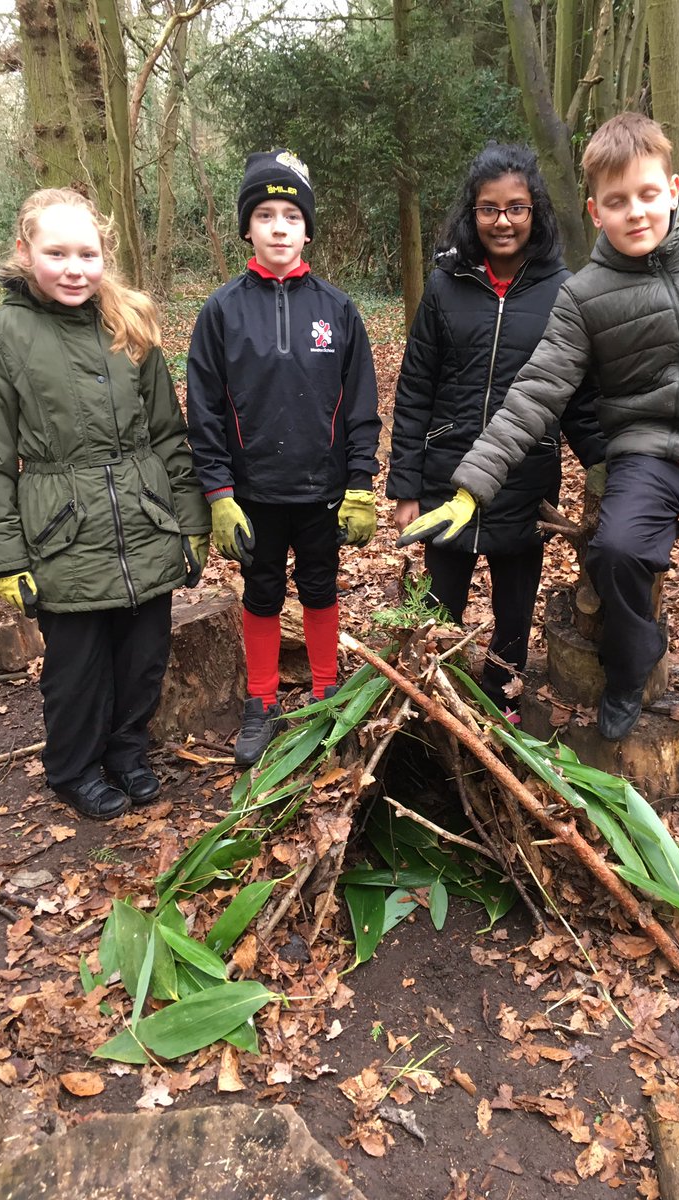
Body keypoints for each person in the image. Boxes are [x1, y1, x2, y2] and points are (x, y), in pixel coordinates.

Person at [400, 113, 679, 860]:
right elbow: (535, 393)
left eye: (649, 194)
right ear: (594, 211)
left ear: (673, 189)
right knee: (615, 548)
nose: (636, 212)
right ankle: (629, 663)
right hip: (646, 452)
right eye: (617, 202)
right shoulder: (584, 295)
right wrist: (470, 488)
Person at [0, 188, 211, 821]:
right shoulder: (6, 334)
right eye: (56, 252)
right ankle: (73, 769)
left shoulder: (129, 320)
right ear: (24, 252)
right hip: (62, 533)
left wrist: (190, 525)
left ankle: (126, 752)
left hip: (144, 523)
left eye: (86, 253)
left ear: (104, 256)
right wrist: (7, 558)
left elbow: (170, 434)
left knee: (143, 659)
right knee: (77, 671)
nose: (73, 268)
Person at [387, 143, 604, 716]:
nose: (502, 221)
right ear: (472, 212)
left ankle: (502, 699)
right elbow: (413, 389)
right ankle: (434, 705)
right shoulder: (444, 285)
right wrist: (405, 484)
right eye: (489, 209)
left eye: (516, 208)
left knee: (515, 609)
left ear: (535, 212)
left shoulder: (565, 291)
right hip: (445, 473)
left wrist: (607, 467)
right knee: (439, 608)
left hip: (524, 478)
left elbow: (578, 398)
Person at [186, 150, 380, 766]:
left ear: (306, 229)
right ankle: (261, 700)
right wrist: (218, 494)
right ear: (247, 226)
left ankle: (326, 692)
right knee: (262, 592)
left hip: (322, 490)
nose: (277, 227)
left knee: (321, 589)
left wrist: (359, 483)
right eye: (264, 214)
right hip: (253, 494)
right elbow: (205, 409)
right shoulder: (221, 311)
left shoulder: (337, 310)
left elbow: (360, 404)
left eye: (291, 215)